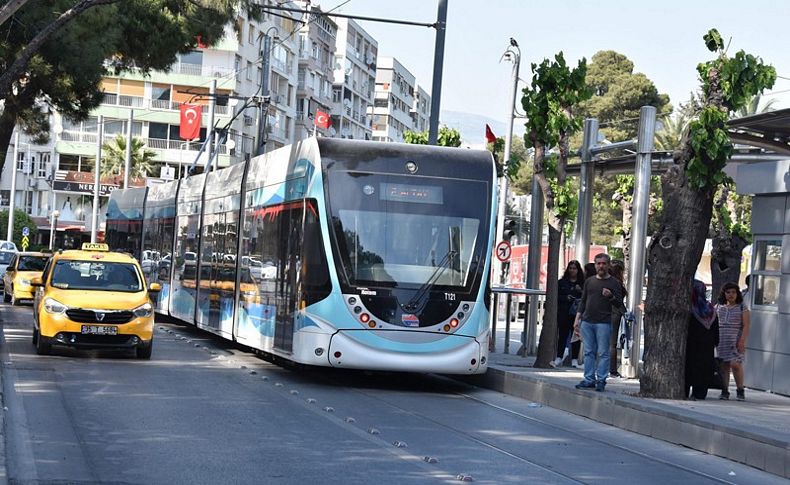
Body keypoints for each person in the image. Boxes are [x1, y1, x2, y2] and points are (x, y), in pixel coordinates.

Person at [573, 253, 626, 392]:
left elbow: (619, 303)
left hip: (604, 322)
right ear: (595, 265)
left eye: (603, 263)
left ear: (608, 265)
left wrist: (611, 296)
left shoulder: (614, 283)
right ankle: (589, 379)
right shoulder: (589, 281)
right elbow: (583, 301)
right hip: (587, 321)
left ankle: (601, 379)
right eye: (598, 263)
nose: (601, 266)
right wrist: (577, 318)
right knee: (589, 352)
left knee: (603, 352)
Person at [715, 282, 751, 400]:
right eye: (728, 292)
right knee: (724, 365)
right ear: (724, 294)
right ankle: (724, 390)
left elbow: (746, 325)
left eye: (733, 292)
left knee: (735, 364)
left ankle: (740, 389)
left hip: (735, 339)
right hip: (721, 339)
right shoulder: (718, 307)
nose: (731, 295)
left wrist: (742, 341)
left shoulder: (742, 307)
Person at [685, 279, 719, 400]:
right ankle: (699, 393)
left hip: (690, 347)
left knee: (688, 370)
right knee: (703, 371)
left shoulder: (688, 309)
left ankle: (685, 391)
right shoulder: (710, 310)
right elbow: (716, 331)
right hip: (707, 348)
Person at [553, 260, 584, 368]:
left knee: (576, 336)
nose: (572, 270)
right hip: (564, 312)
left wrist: (580, 291)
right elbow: (556, 296)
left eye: (574, 268)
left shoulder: (582, 283)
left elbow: (586, 297)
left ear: (578, 270)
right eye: (570, 268)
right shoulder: (562, 282)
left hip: (577, 313)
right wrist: (566, 297)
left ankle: (574, 359)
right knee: (562, 335)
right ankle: (559, 357)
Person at [608, 260, 628, 378]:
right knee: (612, 343)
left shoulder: (610, 281)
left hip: (610, 312)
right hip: (615, 313)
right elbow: (618, 300)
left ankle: (610, 368)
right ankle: (612, 369)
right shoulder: (617, 283)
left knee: (610, 342)